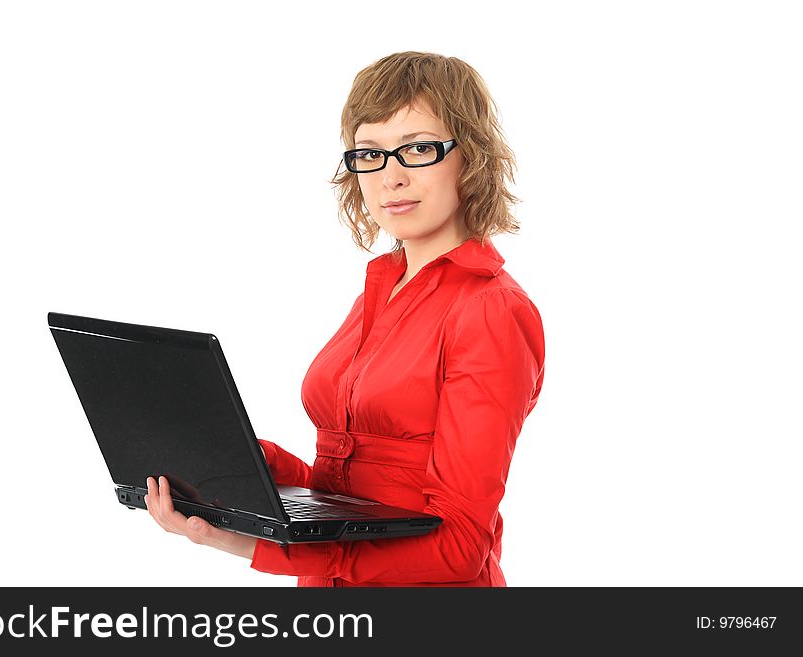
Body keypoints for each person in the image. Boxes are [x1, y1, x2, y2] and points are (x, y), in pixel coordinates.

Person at [144, 51, 546, 587]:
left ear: (469, 158)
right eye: (370, 153)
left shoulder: (489, 311)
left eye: (419, 148)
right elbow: (350, 496)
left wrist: (241, 543)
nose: (391, 177)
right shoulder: (380, 289)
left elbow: (459, 549)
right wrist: (241, 460)